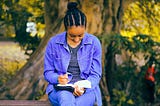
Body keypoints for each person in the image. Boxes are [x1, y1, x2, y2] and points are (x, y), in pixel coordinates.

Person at [43, 2, 102, 106]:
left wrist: (83, 86)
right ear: (66, 29)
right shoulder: (54, 43)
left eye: (80, 35)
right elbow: (48, 72)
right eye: (72, 36)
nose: (76, 39)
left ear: (85, 28)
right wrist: (58, 78)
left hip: (86, 90)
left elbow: (95, 74)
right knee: (66, 99)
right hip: (60, 90)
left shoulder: (94, 43)